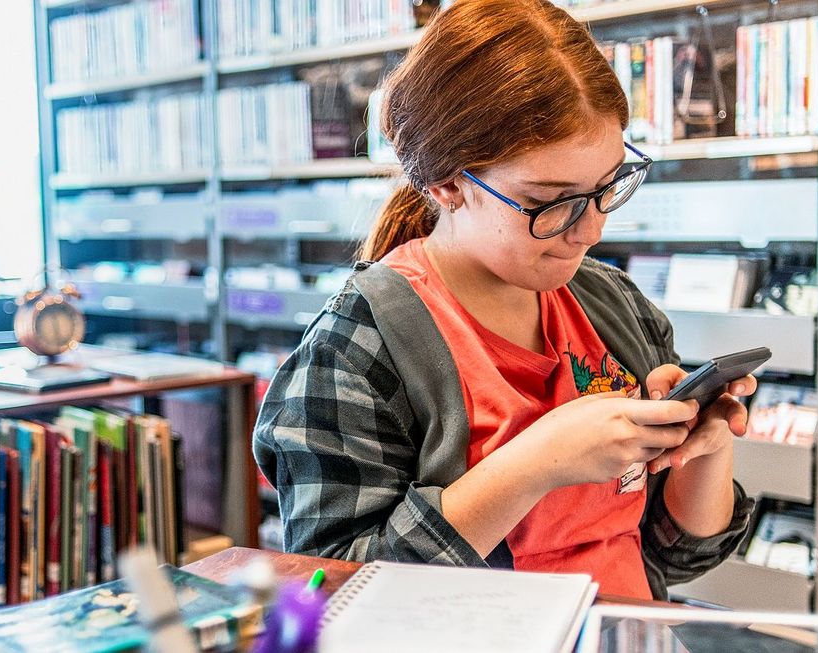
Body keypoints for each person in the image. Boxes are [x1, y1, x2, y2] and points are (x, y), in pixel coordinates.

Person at [254, 0, 754, 601]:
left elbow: (672, 556)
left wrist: (705, 447)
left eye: (608, 187)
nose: (590, 230)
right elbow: (333, 592)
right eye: (550, 201)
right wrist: (535, 463)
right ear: (446, 183)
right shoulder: (357, 349)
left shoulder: (612, 306)